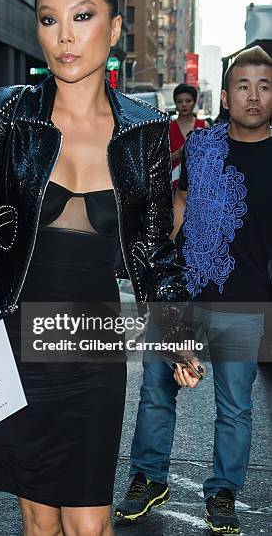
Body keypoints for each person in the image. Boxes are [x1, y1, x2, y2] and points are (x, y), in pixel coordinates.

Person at [0, 0, 202, 536]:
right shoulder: (6, 115)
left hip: (91, 349)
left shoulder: (143, 131)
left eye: (82, 16)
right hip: (12, 340)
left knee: (90, 523)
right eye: (49, 20)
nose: (64, 35)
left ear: (115, 27)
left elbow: (157, 253)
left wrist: (180, 336)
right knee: (38, 521)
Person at [116, 46, 272, 535]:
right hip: (180, 288)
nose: (254, 96)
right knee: (156, 392)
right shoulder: (202, 146)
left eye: (265, 86)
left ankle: (223, 491)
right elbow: (178, 202)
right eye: (244, 86)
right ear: (226, 96)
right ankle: (148, 476)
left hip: (245, 299)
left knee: (235, 407)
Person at [169, 83, 208, 190]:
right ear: (175, 104)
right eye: (179, 101)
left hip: (198, 183)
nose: (184, 105)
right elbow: (162, 161)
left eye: (188, 101)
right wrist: (178, 153)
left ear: (194, 102)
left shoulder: (203, 126)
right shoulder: (168, 128)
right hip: (174, 185)